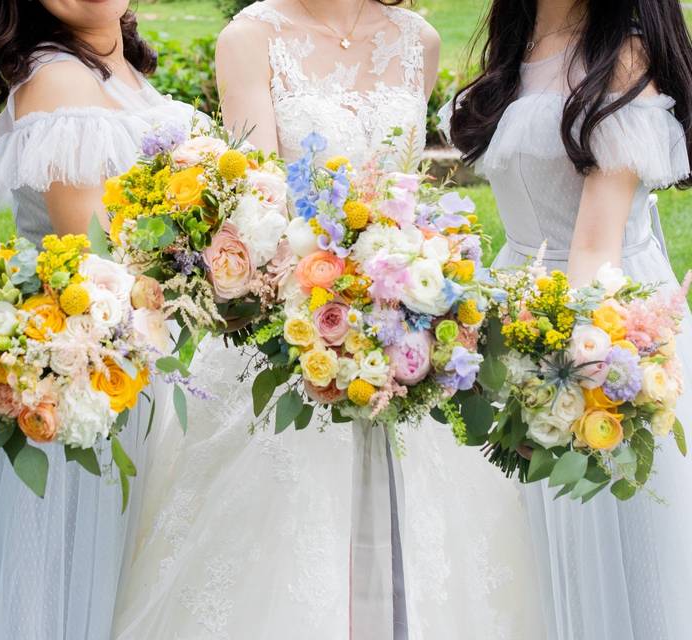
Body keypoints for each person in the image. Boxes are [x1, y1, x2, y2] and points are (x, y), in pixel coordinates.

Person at [213, 2, 544, 638]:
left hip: (408, 312)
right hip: (299, 311)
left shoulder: (415, 39)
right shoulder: (250, 38)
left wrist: (414, 286)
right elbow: (258, 210)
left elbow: (407, 189)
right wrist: (340, 298)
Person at [0, 1, 195, 638]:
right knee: (77, 580)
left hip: (136, 354)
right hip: (91, 369)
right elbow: (102, 255)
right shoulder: (59, 78)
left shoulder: (116, 67)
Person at [445, 0, 692, 637]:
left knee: (610, 543)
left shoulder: (624, 52)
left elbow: (594, 246)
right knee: (520, 549)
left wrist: (560, 353)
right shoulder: (518, 32)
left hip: (599, 308)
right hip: (513, 296)